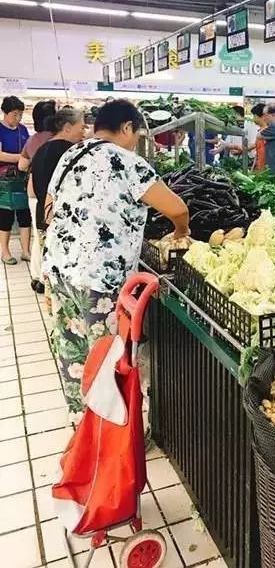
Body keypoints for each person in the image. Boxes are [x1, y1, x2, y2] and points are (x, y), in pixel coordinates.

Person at [42, 99, 189, 423]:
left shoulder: (71, 154)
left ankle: (82, 423)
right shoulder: (127, 162)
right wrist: (182, 231)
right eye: (135, 134)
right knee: (109, 356)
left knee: (73, 348)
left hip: (60, 270)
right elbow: (177, 209)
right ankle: (110, 432)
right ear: (126, 127)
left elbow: (48, 209)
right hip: (101, 280)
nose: (135, 142)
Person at [30, 108, 86, 296]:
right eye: (81, 127)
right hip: (62, 222)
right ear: (67, 127)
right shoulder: (69, 152)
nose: (84, 132)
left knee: (50, 271)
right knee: (63, 276)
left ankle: (52, 307)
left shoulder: (42, 149)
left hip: (43, 215)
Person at [18, 100, 56, 289]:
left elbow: (21, 165)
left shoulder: (33, 140)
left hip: (34, 191)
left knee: (38, 233)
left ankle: (37, 276)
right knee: (53, 236)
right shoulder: (59, 139)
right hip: (53, 194)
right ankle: (48, 278)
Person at [0, 96, 31, 264]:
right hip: (4, 180)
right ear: (5, 112)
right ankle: (5, 252)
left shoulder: (23, 129)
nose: (18, 118)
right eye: (14, 114)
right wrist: (21, 158)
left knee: (25, 214)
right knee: (6, 215)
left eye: (20, 114)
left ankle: (26, 251)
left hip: (22, 177)